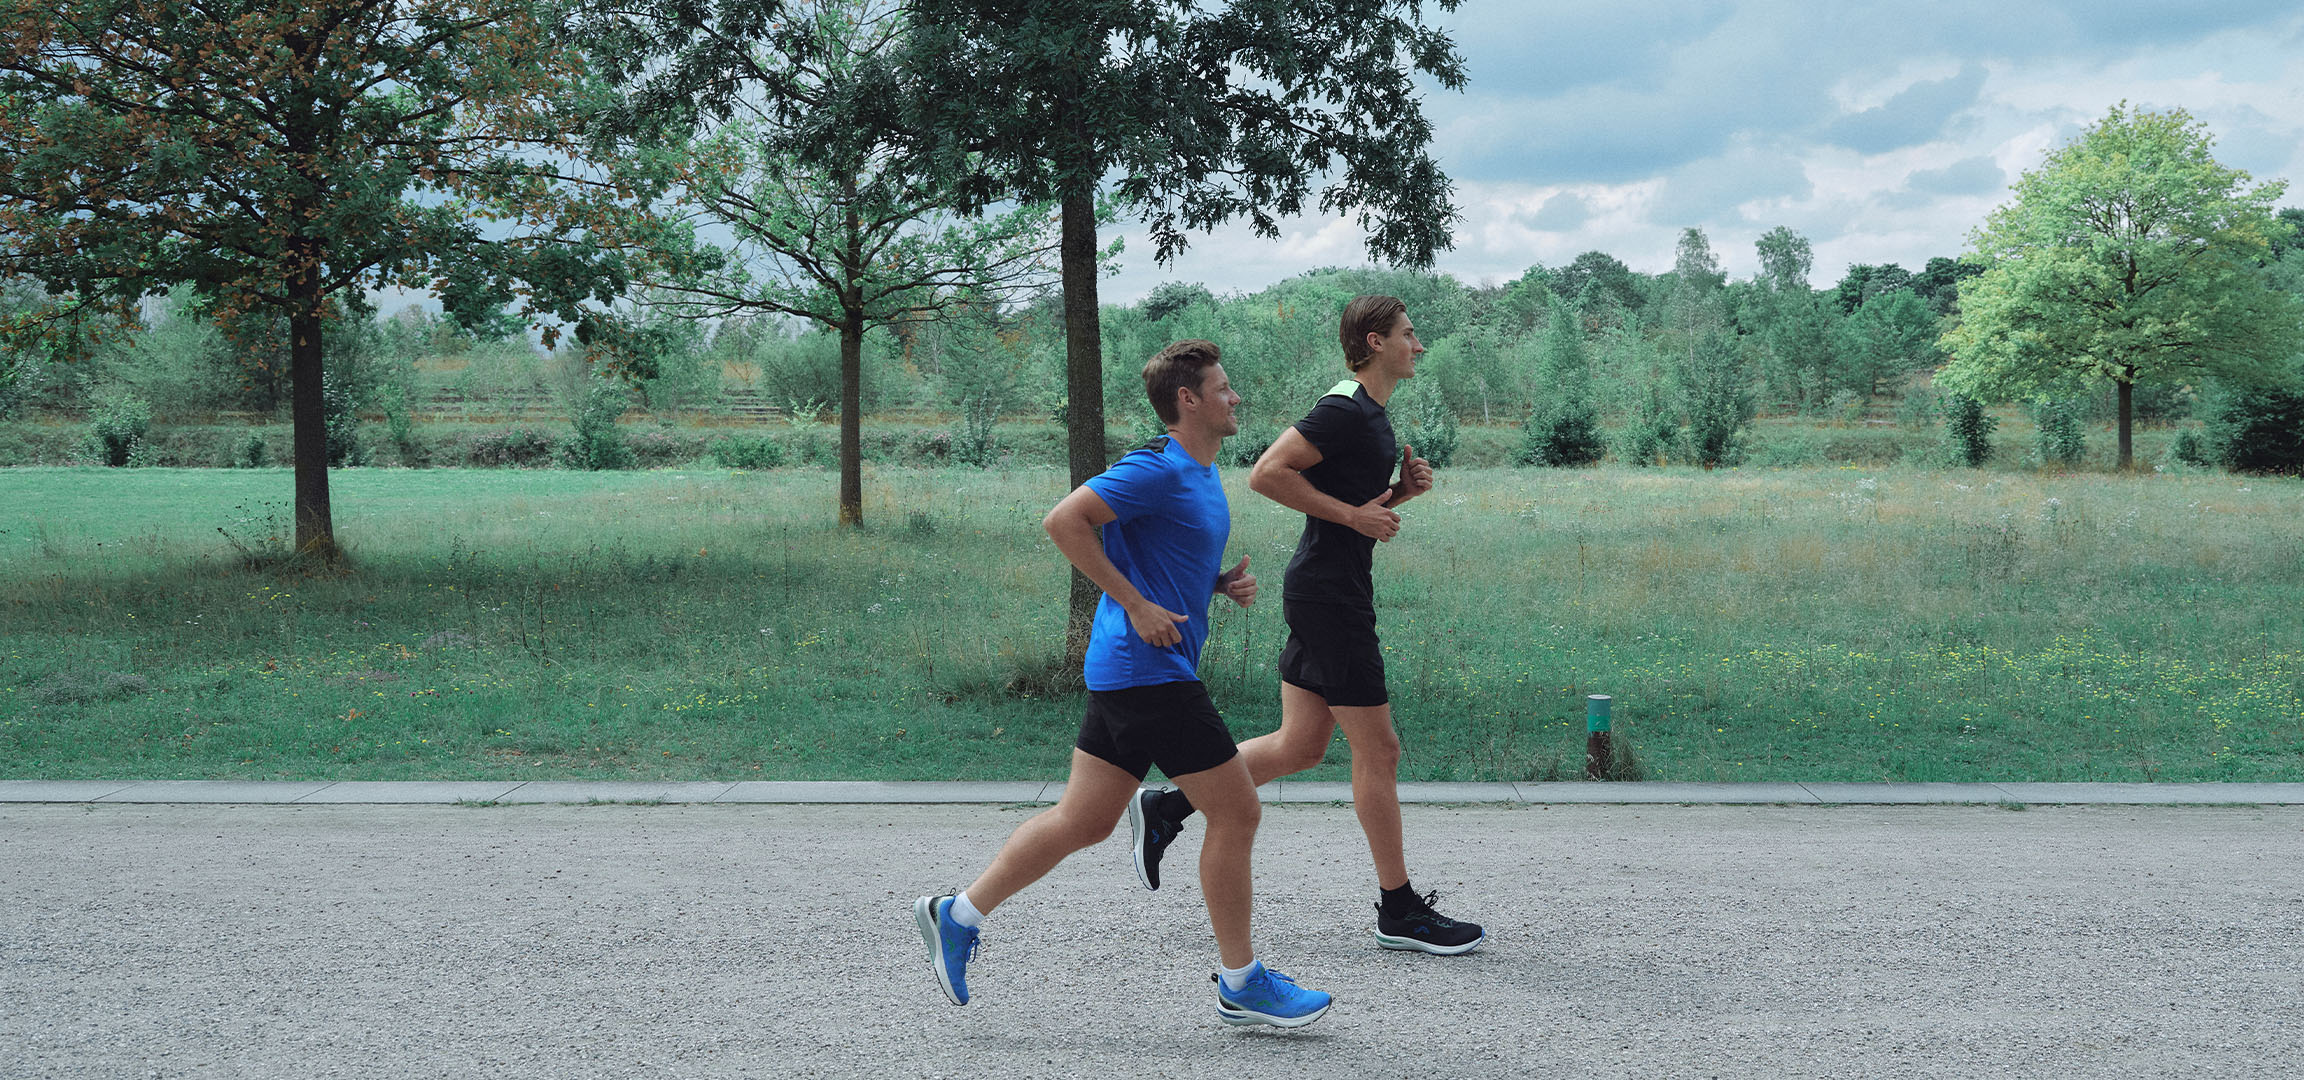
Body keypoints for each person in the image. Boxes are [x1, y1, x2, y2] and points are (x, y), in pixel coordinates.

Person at [915, 339, 1333, 1028]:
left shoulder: (1199, 472)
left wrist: (1215, 583)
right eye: (1223, 388)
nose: (1236, 398)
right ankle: (1242, 982)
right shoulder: (1156, 469)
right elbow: (1064, 521)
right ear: (1187, 400)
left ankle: (955, 915)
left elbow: (1160, 552)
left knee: (1083, 821)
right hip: (1148, 672)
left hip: (1129, 672)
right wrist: (1136, 604)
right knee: (1236, 812)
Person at [1123, 296, 1485, 955]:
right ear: (1375, 342)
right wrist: (1353, 518)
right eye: (1410, 334)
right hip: (1329, 598)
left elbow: (1343, 503)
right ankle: (1398, 910)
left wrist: (1399, 495)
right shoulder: (1344, 407)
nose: (1420, 345)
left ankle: (1170, 804)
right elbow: (1267, 473)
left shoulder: (1371, 414)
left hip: (1329, 587)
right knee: (1380, 751)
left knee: (1301, 746)